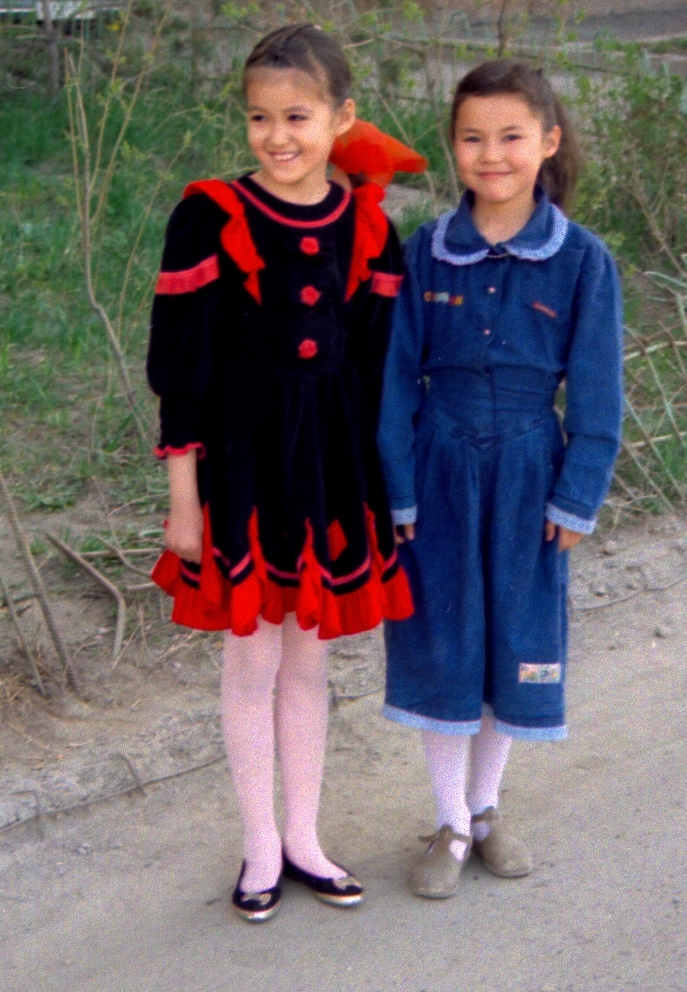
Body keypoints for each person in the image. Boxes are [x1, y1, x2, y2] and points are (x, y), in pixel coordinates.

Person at [147, 23, 418, 922]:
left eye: (297, 116)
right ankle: (257, 846)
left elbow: (381, 369)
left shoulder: (370, 222)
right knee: (249, 659)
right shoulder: (210, 214)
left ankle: (304, 836)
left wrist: (390, 490)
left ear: (341, 118)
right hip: (242, 465)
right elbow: (180, 371)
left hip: (335, 464)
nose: (277, 136)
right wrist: (184, 498)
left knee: (309, 663)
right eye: (260, 118)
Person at [378, 60, 623, 898]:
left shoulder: (582, 262)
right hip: (438, 465)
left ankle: (486, 810)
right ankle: (446, 823)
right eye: (472, 137)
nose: (491, 155)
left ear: (546, 142)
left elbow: (596, 389)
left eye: (511, 136)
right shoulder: (424, 254)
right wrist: (398, 487)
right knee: (442, 635)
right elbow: (393, 378)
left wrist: (576, 492)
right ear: (451, 147)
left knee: (516, 638)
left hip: (529, 469)